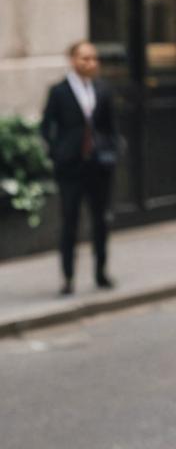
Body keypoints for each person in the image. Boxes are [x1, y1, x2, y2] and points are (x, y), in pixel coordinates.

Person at [41, 40, 118, 296]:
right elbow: (46, 127)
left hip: (99, 166)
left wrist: (112, 150)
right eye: (85, 58)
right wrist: (57, 152)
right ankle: (68, 277)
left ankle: (101, 273)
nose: (91, 63)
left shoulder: (103, 89)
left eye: (94, 58)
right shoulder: (59, 92)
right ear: (73, 60)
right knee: (69, 223)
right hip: (70, 167)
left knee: (101, 221)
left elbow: (110, 126)